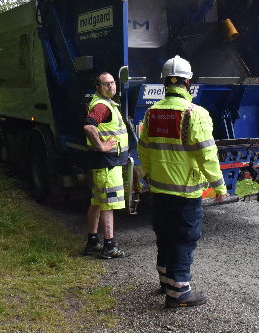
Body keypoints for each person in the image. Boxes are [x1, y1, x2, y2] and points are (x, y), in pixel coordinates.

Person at [137, 55, 228, 308]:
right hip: (186, 192)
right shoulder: (195, 114)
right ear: (188, 82)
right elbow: (207, 154)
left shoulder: (151, 113)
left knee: (165, 235)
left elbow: (143, 149)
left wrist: (148, 176)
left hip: (159, 189)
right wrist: (219, 187)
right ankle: (179, 293)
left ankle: (166, 281)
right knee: (185, 238)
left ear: (165, 82)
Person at [82, 72, 129, 259]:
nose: (111, 86)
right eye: (106, 84)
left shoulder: (106, 103)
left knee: (97, 203)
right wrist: (101, 146)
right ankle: (109, 246)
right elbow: (88, 127)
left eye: (113, 83)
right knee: (108, 204)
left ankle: (92, 242)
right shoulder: (102, 106)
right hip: (108, 164)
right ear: (98, 87)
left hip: (104, 164)